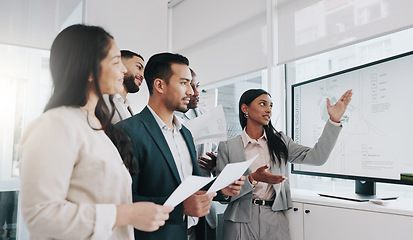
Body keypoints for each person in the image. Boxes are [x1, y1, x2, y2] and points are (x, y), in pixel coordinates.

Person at [19, 24, 173, 240]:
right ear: (89, 69)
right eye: (116, 61)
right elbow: (40, 214)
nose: (123, 70)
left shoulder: (99, 127)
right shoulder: (55, 125)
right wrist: (125, 214)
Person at [116, 52, 244, 240]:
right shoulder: (125, 132)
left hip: (189, 233)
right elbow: (121, 199)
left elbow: (191, 183)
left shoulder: (186, 133)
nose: (191, 92)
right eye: (184, 83)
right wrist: (179, 208)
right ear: (160, 85)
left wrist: (221, 187)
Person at [216, 88, 353, 240]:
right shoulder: (227, 147)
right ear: (245, 108)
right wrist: (252, 179)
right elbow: (223, 195)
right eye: (263, 104)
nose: (268, 109)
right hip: (239, 220)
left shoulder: (280, 142)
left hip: (274, 217)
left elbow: (317, 157)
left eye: (271, 106)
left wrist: (333, 121)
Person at [174, 68, 217, 177]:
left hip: (204, 184)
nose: (196, 93)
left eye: (196, 86)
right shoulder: (167, 118)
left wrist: (215, 163)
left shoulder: (206, 115)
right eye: (187, 85)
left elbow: (217, 149)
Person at [104, 50, 145, 123]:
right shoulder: (102, 100)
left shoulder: (128, 108)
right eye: (139, 67)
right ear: (121, 65)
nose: (142, 76)